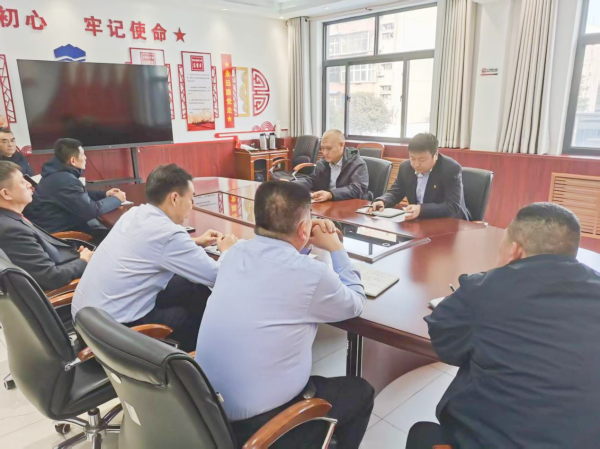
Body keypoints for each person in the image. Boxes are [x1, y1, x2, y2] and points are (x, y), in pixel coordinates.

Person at [196, 181, 374, 449]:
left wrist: (300, 240)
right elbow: (356, 303)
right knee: (361, 392)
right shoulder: (312, 274)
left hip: (206, 410)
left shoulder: (234, 254)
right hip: (258, 427)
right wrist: (336, 248)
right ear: (304, 229)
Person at [407, 203, 600, 448]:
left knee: (422, 435)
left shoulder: (486, 289)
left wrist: (495, 276)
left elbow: (444, 341)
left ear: (514, 251)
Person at [72, 164, 237, 351]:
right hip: (112, 334)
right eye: (191, 198)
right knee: (197, 303)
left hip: (86, 321)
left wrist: (195, 242)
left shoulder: (133, 213)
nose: (192, 204)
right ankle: (191, 360)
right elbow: (217, 277)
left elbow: (151, 246)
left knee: (189, 285)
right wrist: (227, 250)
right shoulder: (169, 235)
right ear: (174, 198)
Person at [0, 161, 91, 291]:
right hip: (73, 288)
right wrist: (83, 261)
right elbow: (51, 277)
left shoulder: (11, 218)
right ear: (6, 194)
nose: (30, 185)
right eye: (22, 182)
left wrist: (77, 257)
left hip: (68, 261)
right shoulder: (11, 230)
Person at [24, 138, 126, 242]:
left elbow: (77, 195)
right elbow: (91, 210)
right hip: (63, 237)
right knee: (119, 236)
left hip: (55, 229)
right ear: (73, 160)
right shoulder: (65, 180)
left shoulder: (55, 175)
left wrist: (104, 194)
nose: (85, 158)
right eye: (83, 155)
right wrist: (117, 199)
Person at [370, 133, 469, 220]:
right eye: (412, 158)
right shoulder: (406, 167)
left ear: (435, 155)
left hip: (450, 222)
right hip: (419, 221)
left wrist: (421, 209)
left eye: (422, 160)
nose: (416, 164)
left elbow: (452, 206)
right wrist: (383, 201)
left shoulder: (450, 169)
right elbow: (396, 192)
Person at [294, 129, 369, 202]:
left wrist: (331, 194)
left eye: (329, 148)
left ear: (341, 145)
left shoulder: (357, 164)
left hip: (348, 205)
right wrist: (291, 185)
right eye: (322, 148)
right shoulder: (323, 163)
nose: (325, 153)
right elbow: (312, 180)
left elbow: (357, 189)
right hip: (327, 205)